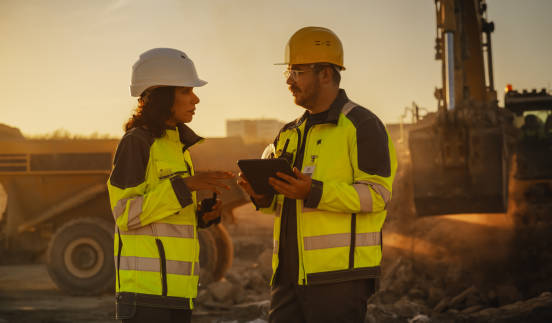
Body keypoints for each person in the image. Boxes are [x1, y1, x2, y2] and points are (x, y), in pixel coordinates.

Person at [238, 27, 397, 323]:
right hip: (288, 276)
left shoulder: (362, 125)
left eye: (296, 71)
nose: (288, 80)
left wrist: (314, 191)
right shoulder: (289, 133)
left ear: (325, 73)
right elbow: (280, 203)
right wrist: (260, 194)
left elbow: (378, 195)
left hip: (340, 279)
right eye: (288, 72)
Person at [108, 48, 233, 323]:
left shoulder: (177, 147)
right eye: (187, 91)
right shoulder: (136, 143)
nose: (196, 98)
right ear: (163, 96)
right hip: (145, 298)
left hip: (179, 294)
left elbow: (163, 218)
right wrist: (185, 185)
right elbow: (126, 214)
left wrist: (201, 216)